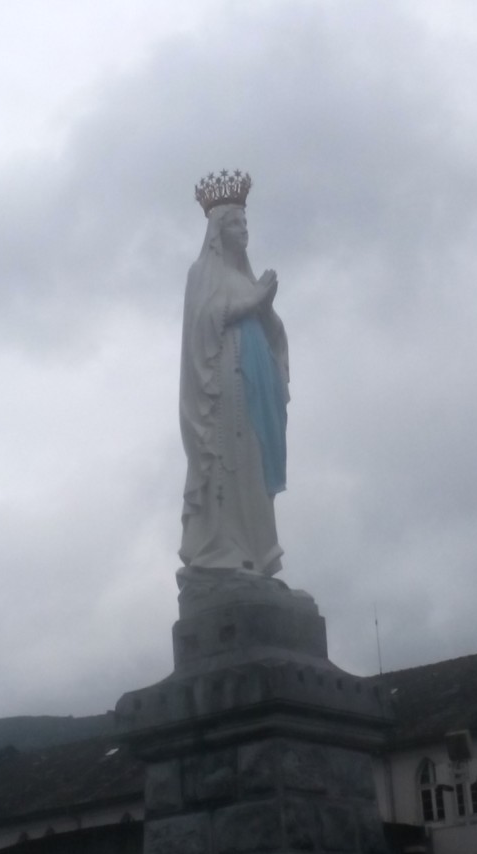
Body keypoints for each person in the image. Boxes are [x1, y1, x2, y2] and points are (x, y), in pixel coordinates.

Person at [179, 173, 289, 576]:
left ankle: (259, 550)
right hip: (226, 379)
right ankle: (228, 549)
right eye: (236, 224)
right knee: (233, 458)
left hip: (257, 382)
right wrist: (251, 303)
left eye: (246, 223)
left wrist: (265, 308)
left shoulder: (245, 277)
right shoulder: (202, 274)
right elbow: (201, 326)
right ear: (218, 230)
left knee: (255, 459)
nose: (244, 231)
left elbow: (271, 329)